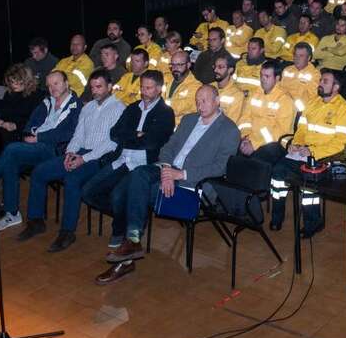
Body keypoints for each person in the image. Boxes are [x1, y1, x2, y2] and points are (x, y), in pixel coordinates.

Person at [95, 85, 240, 284]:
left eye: (205, 100)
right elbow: (168, 148)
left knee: (132, 191)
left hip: (192, 188)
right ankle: (132, 241)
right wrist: (166, 171)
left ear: (217, 101)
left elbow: (220, 168)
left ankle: (128, 250)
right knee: (139, 175)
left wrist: (180, 174)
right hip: (168, 172)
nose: (200, 105)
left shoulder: (229, 130)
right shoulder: (189, 120)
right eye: (198, 100)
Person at [0, 71, 81, 231]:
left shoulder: (76, 105)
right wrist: (30, 134)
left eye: (56, 83)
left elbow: (69, 133)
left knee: (11, 149)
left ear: (66, 83)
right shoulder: (47, 102)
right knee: (9, 161)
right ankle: (12, 214)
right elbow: (30, 123)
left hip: (56, 150)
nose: (52, 88)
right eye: (49, 85)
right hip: (36, 146)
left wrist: (39, 137)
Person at [16, 70, 125, 252]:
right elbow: (78, 135)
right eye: (92, 87)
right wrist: (70, 153)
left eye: (99, 87)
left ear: (109, 87)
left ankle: (67, 232)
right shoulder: (88, 107)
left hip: (100, 158)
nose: (95, 91)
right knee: (40, 172)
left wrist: (83, 158)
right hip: (79, 152)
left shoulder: (119, 108)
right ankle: (36, 221)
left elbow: (110, 144)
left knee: (72, 179)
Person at [80, 70, 175, 249]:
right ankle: (125, 217)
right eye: (142, 87)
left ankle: (121, 231)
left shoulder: (165, 113)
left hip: (141, 166)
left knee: (117, 196)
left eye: (148, 88)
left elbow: (152, 143)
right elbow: (114, 133)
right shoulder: (132, 108)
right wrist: (137, 135)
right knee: (87, 191)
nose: (144, 91)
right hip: (121, 160)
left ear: (159, 89)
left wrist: (132, 138)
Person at [269, 70, 346, 234]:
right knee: (277, 174)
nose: (320, 84)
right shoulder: (313, 102)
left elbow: (341, 144)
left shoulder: (345, 110)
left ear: (336, 87)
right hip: (302, 151)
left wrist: (312, 151)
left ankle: (313, 223)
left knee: (307, 184)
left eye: (325, 81)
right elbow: (301, 128)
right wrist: (296, 143)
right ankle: (277, 216)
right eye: (321, 80)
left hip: (323, 157)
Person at [236, 61, 296, 162]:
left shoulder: (285, 100)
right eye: (261, 75)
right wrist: (245, 137)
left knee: (254, 161)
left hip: (272, 144)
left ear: (277, 78)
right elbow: (245, 118)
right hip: (249, 138)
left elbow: (281, 132)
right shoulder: (255, 93)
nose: (262, 79)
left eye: (267, 76)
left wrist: (254, 144)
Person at [163, 51, 202, 126]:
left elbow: (177, 108)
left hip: (180, 127)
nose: (175, 68)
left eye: (179, 65)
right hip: (161, 122)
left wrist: (160, 105)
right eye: (173, 65)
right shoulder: (166, 78)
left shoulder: (196, 86)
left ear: (188, 65)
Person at [280, 43, 321, 113]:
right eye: (295, 55)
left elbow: (312, 97)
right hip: (282, 106)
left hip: (299, 111)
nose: (297, 58)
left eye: (301, 56)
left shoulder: (315, 74)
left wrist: (291, 99)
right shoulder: (287, 70)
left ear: (308, 58)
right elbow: (280, 88)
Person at [213, 55, 246, 122]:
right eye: (215, 66)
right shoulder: (209, 87)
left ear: (230, 70)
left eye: (220, 67)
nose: (215, 70)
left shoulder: (237, 95)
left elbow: (230, 123)